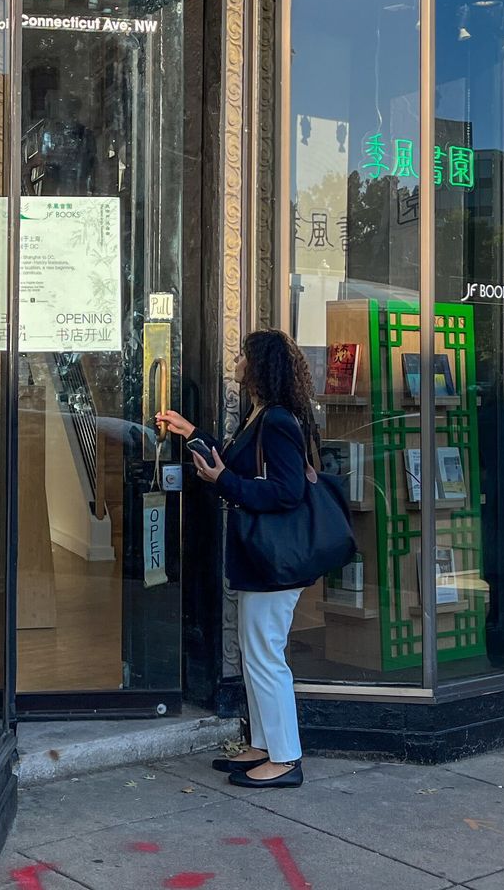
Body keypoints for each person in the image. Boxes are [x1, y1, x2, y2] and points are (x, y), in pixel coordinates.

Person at [157, 329, 317, 789]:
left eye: (244, 355)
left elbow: (287, 492)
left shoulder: (279, 421)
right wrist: (193, 434)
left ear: (259, 366)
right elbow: (233, 466)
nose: (237, 360)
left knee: (266, 655)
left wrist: (225, 481)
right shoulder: (262, 415)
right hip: (258, 558)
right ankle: (264, 746)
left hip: (275, 562)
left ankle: (286, 759)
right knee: (255, 651)